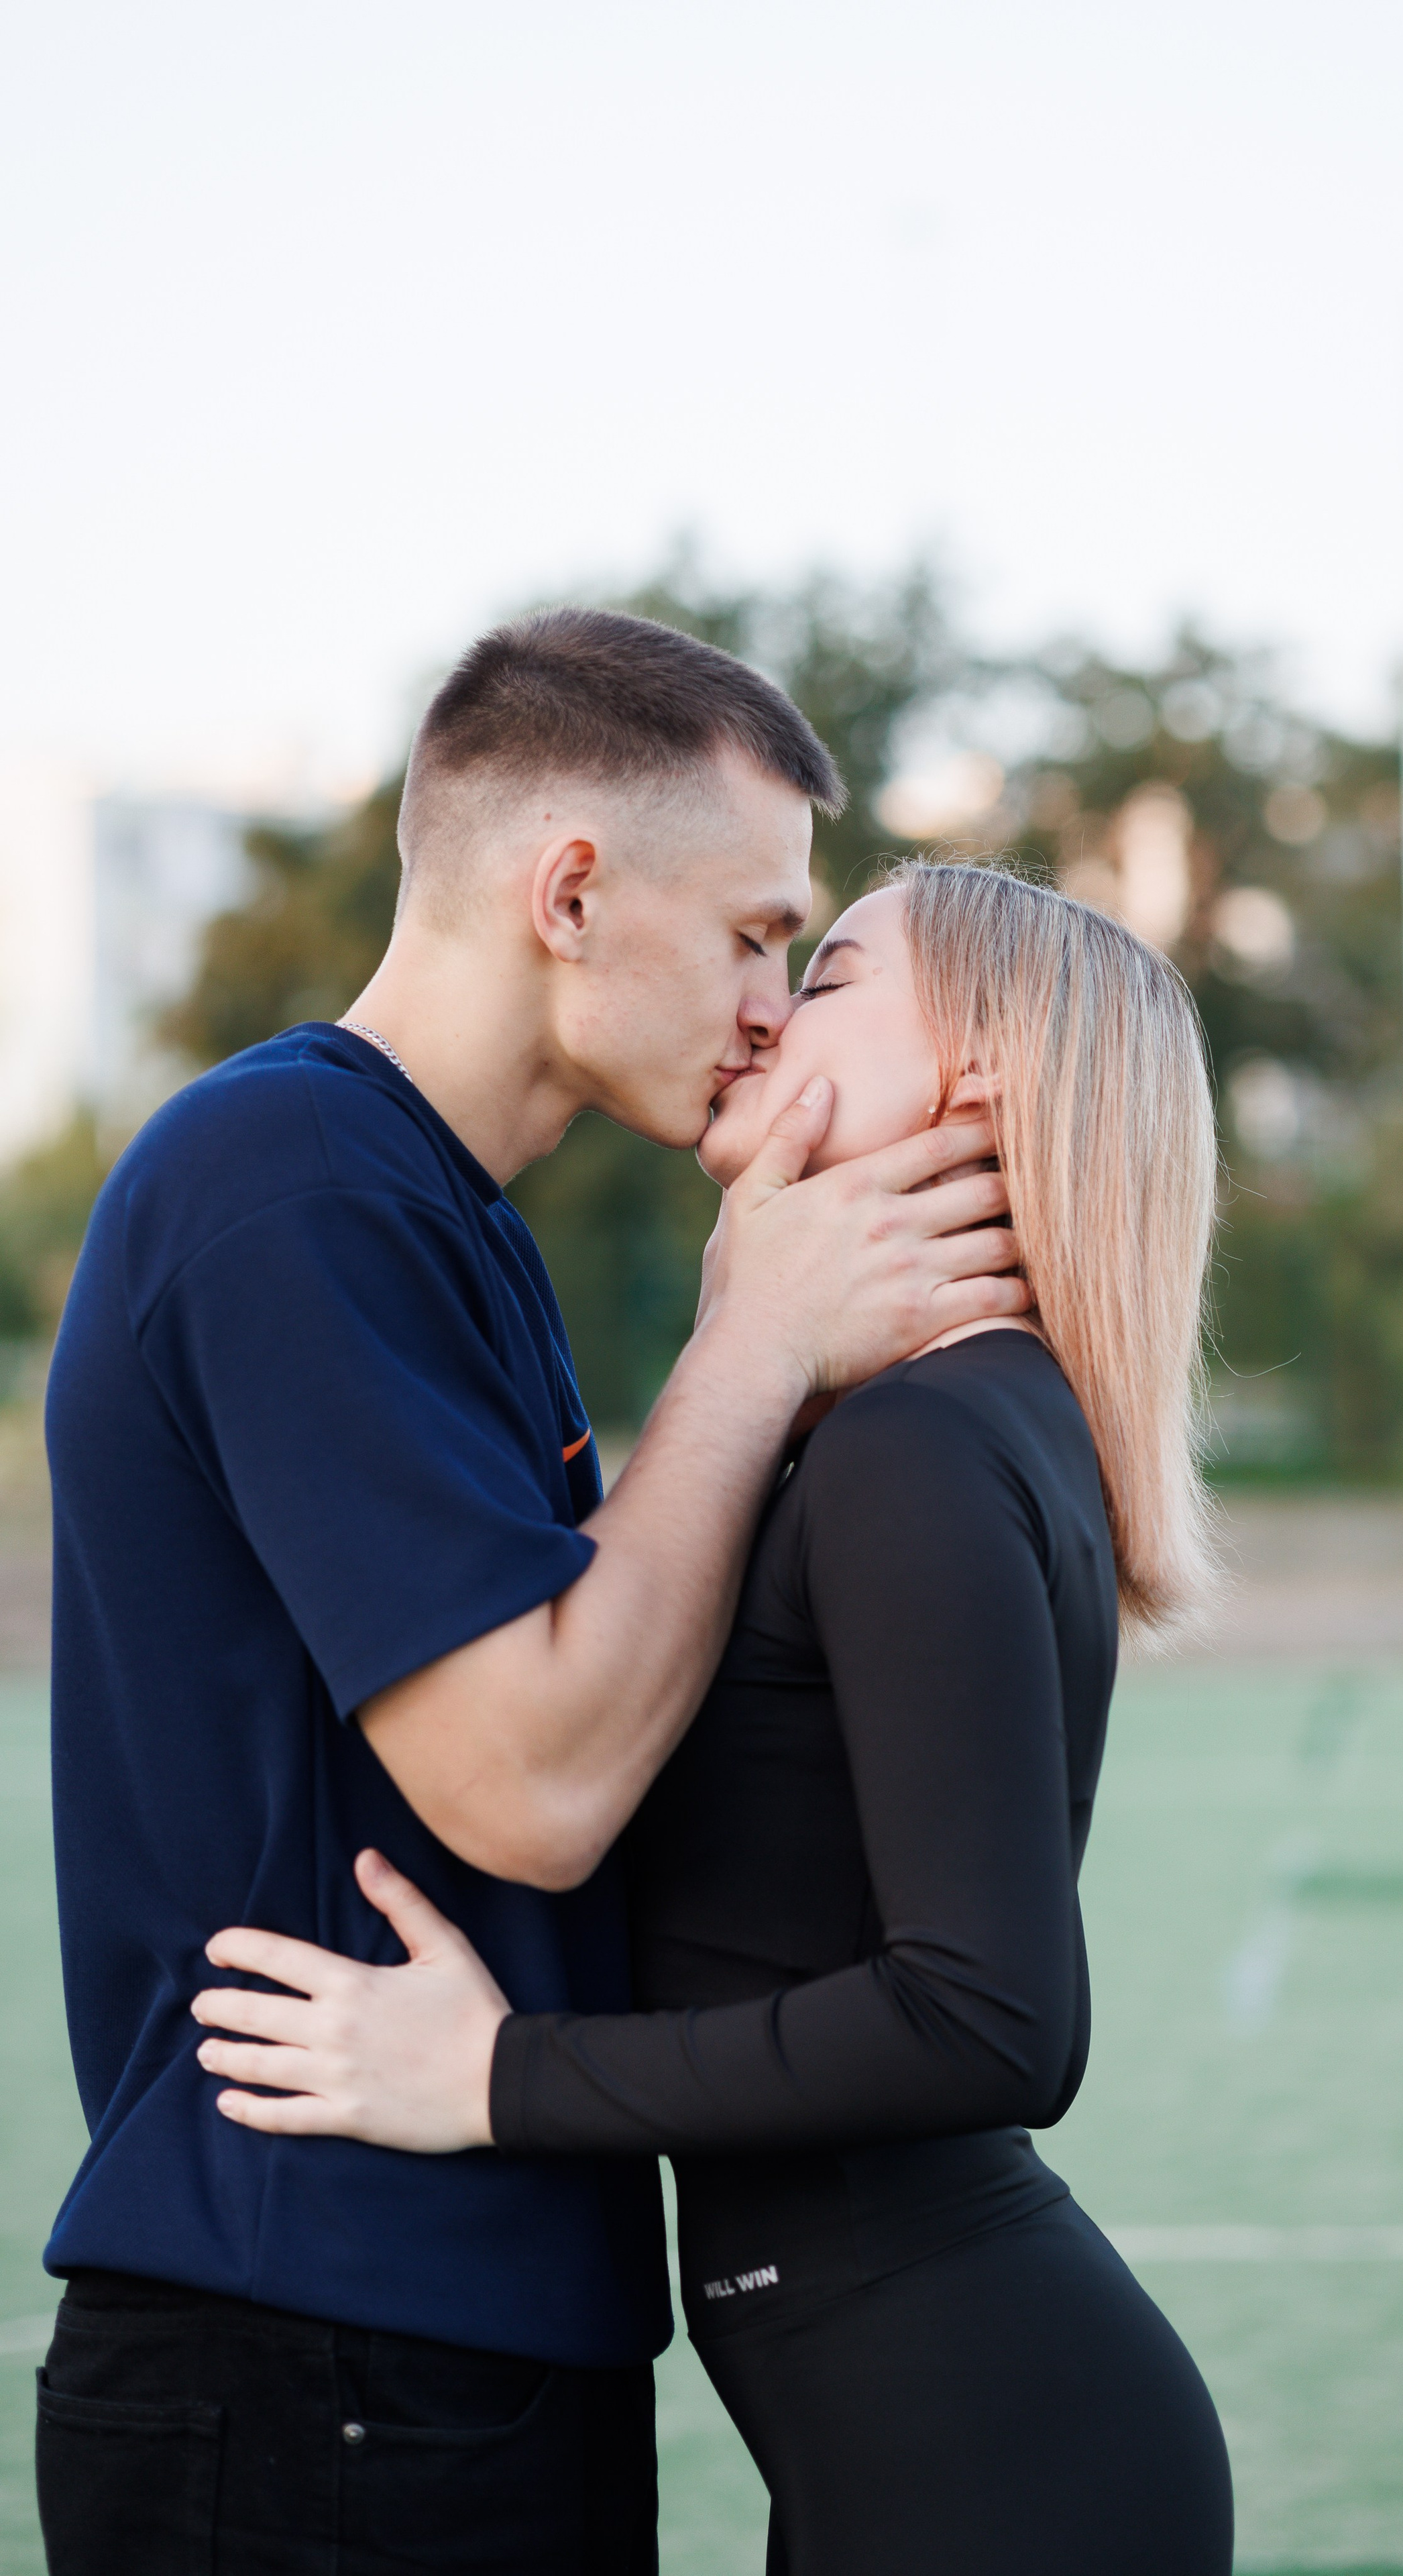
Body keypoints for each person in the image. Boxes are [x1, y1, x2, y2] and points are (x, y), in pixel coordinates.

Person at [36, 612, 1029, 2576]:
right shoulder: (293, 1179)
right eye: (757, 935)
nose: (770, 1004)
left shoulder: (435, 1218)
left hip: (447, 2334)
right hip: (315, 2338)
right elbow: (538, 1784)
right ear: (571, 889)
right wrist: (753, 1344)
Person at [190, 862, 1235, 2575]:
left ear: (971, 1080)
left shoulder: (921, 1444)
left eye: (821, 980)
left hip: (983, 2445)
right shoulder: (936, 1418)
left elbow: (991, 2022)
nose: (764, 1012)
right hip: (920, 2421)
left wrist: (493, 2078)